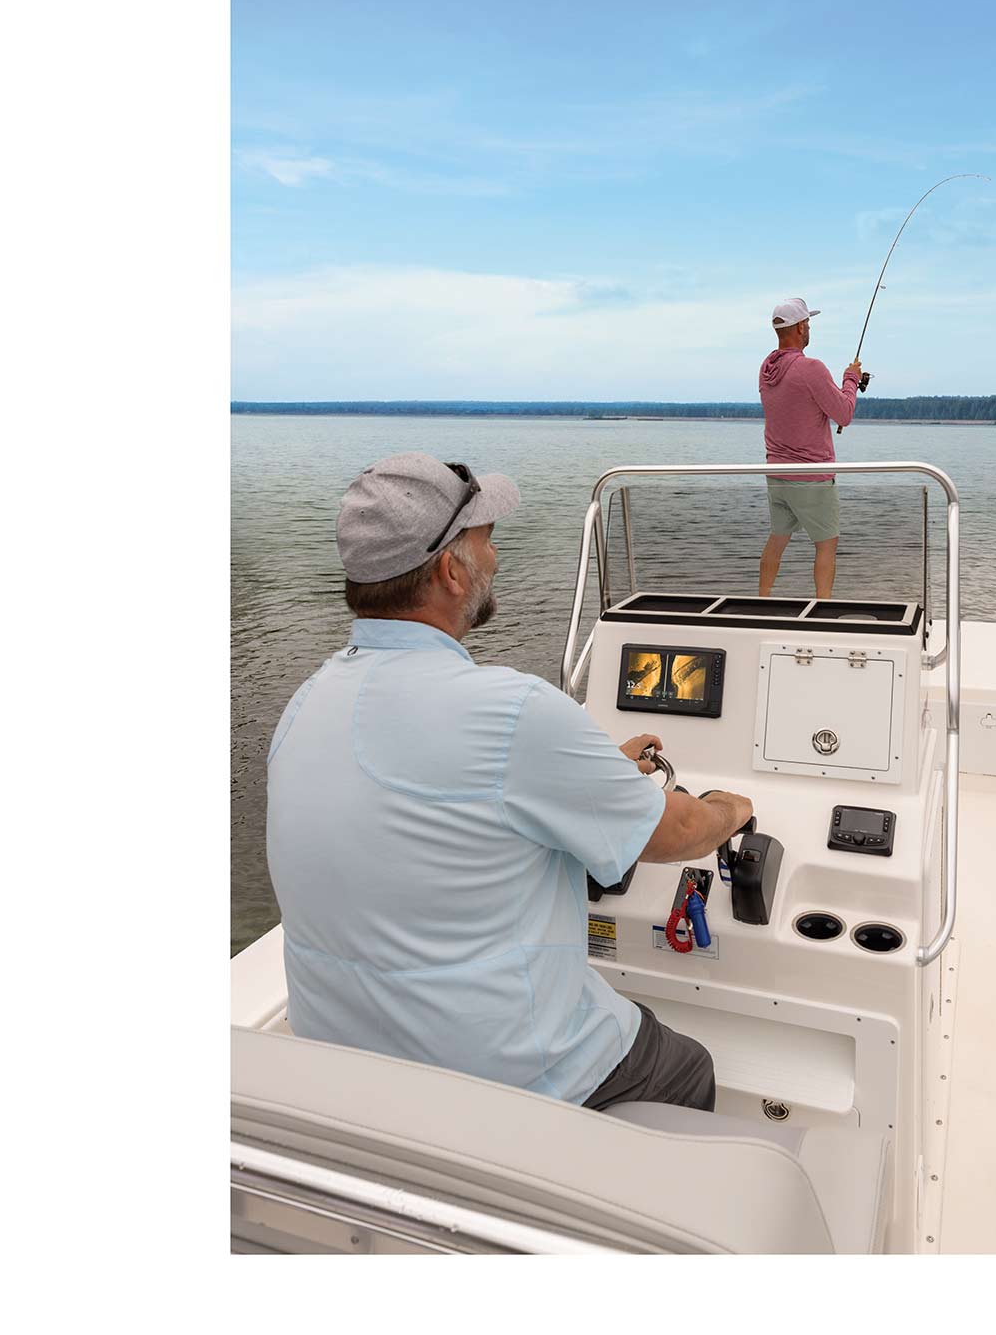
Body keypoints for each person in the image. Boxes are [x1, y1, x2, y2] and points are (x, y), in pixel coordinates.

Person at [265, 452, 753, 1114]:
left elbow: (436, 801)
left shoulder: (304, 704)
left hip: (348, 1074)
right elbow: (680, 832)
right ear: (450, 570)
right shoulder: (513, 711)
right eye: (485, 540)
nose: (494, 558)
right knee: (688, 1066)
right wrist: (731, 807)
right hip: (506, 1085)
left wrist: (594, 775)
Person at [757, 296, 863, 599]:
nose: (809, 328)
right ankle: (823, 609)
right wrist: (851, 379)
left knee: (777, 539)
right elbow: (844, 414)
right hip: (811, 478)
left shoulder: (767, 369)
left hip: (777, 474)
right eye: (808, 323)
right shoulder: (811, 368)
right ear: (801, 327)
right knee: (826, 545)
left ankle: (762, 601)